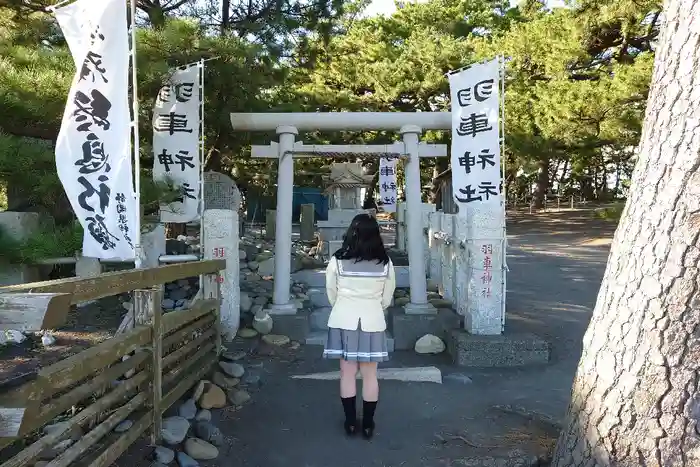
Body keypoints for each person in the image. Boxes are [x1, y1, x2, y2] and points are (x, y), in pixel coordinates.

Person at [323, 213, 396, 439]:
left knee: (346, 373)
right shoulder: (385, 262)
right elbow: (387, 297)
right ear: (376, 235)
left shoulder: (337, 260)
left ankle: (350, 422)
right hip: (372, 321)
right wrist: (374, 307)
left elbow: (331, 291)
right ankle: (368, 424)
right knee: (370, 375)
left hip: (343, 319)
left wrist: (342, 306)